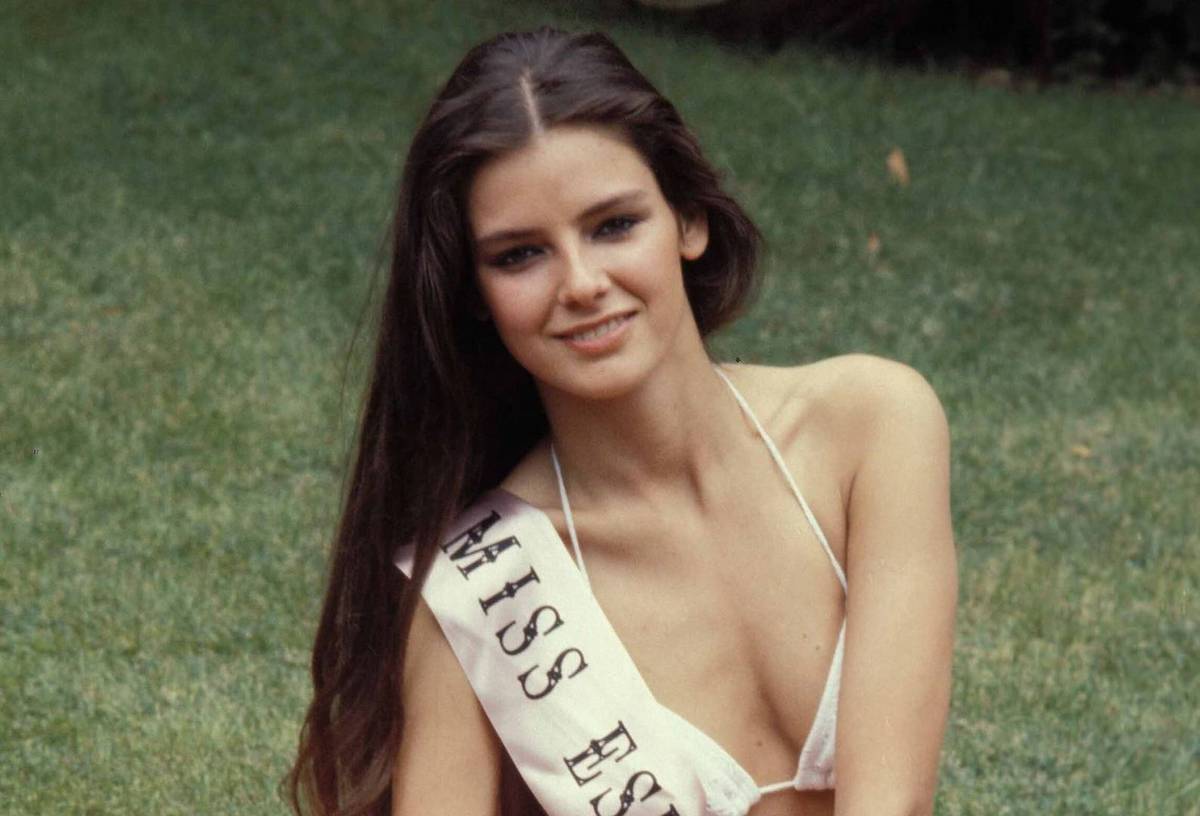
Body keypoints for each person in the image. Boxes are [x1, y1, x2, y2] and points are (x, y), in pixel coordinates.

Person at [286, 27, 956, 816]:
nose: (580, 283)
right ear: (475, 295)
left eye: (613, 226)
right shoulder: (481, 591)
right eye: (519, 255)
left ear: (689, 219)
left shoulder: (871, 428)